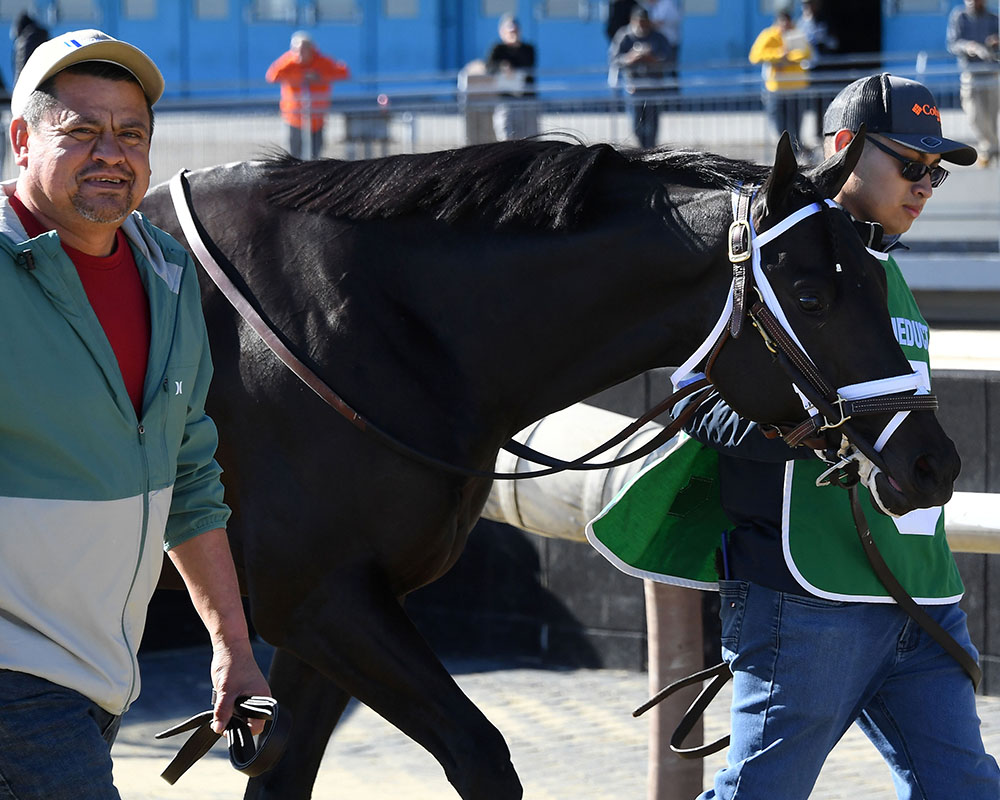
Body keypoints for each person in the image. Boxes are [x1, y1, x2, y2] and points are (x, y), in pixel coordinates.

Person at [0, 29, 270, 798]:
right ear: (23, 139)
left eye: (130, 134)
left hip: (102, 678)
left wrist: (231, 647)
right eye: (80, 131)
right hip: (17, 679)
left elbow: (188, 473)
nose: (110, 153)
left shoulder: (169, 272)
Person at [265, 31, 349, 159]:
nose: (300, 54)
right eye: (296, 50)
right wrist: (300, 77)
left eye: (303, 50)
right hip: (294, 117)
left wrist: (319, 77)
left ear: (311, 49)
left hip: (317, 117)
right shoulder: (289, 62)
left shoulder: (322, 62)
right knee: (293, 155)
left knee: (314, 154)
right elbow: (272, 76)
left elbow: (344, 73)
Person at [609, 6, 675, 148]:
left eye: (644, 22)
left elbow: (669, 58)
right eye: (639, 22)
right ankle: (642, 148)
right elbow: (614, 59)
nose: (641, 25)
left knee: (652, 125)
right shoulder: (624, 36)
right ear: (632, 21)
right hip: (634, 90)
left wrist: (651, 59)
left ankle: (649, 150)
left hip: (654, 88)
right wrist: (630, 58)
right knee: (636, 125)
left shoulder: (658, 37)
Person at [749, 8, 811, 154]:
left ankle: (796, 151)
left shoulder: (798, 34)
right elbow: (755, 56)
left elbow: (806, 53)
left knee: (795, 123)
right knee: (778, 122)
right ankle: (791, 149)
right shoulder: (769, 35)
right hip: (776, 87)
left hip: (796, 87)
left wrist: (788, 57)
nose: (785, 26)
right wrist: (778, 55)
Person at [947, 0, 1000, 166]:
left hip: (991, 73)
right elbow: (953, 44)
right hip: (971, 74)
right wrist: (968, 46)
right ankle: (992, 146)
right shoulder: (959, 16)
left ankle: (988, 149)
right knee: (974, 115)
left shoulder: (993, 18)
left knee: (991, 116)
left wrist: (995, 41)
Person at [485, 14, 538, 141]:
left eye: (515, 31)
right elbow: (489, 67)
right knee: (506, 135)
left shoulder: (527, 48)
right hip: (505, 99)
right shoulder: (497, 49)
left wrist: (515, 47)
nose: (512, 34)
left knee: (530, 138)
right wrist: (502, 67)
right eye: (509, 31)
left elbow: (528, 63)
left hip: (526, 99)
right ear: (502, 32)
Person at [10, 11, 48, 83]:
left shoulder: (23, 42)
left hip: (28, 84)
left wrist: (18, 87)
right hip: (43, 82)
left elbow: (21, 68)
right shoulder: (42, 37)